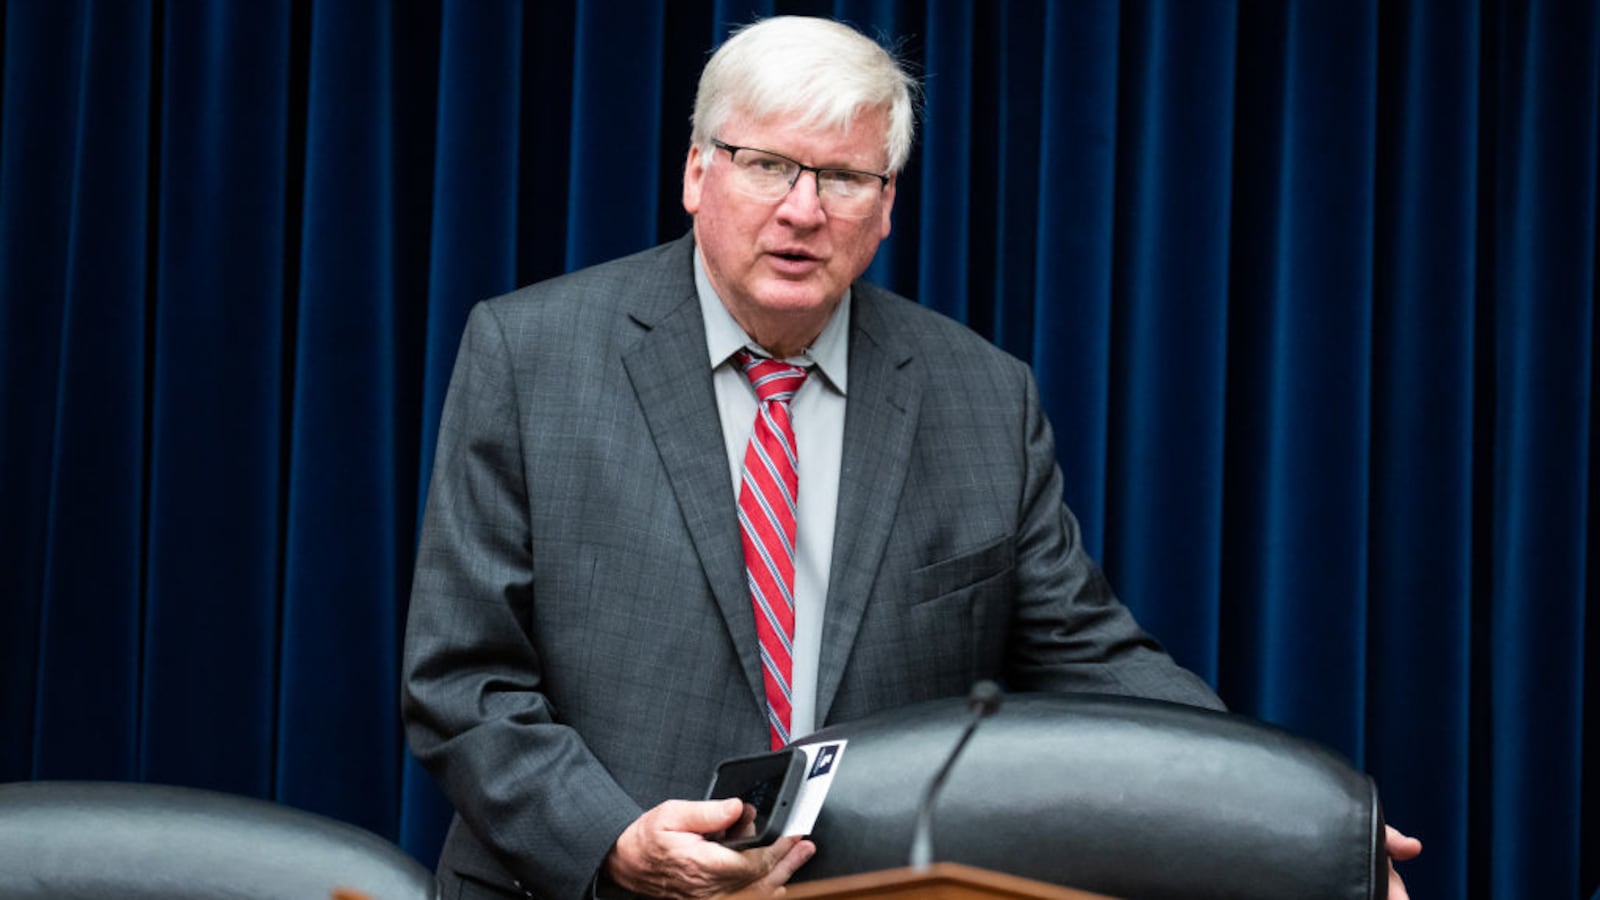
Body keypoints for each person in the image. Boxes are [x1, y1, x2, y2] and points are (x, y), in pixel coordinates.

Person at [402, 15, 1417, 900]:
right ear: (695, 172)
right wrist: (616, 843)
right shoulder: (531, 354)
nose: (803, 209)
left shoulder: (980, 395)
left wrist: (1294, 824)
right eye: (767, 165)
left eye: (843, 177)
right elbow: (462, 676)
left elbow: (1093, 663)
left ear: (885, 207)